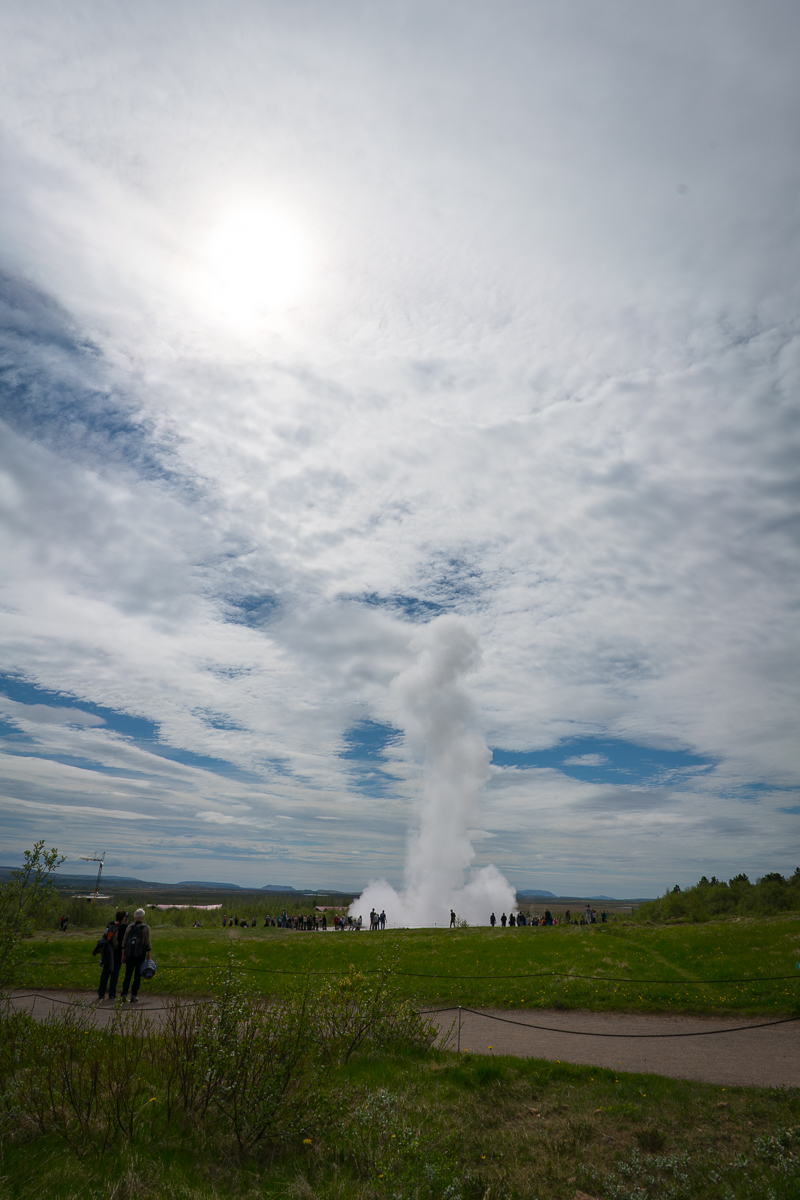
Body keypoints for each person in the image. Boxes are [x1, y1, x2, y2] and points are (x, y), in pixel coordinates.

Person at [121, 908, 152, 1003]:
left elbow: (124, 941)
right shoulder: (146, 928)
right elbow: (147, 943)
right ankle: (133, 995)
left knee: (127, 975)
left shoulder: (129, 927)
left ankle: (123, 995)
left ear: (134, 917)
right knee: (137, 976)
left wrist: (123, 954)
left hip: (129, 954)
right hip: (140, 955)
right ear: (142, 917)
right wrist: (149, 956)